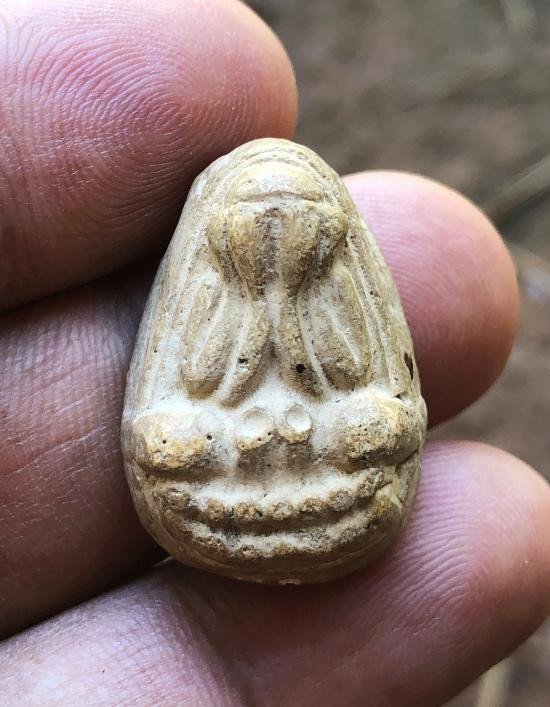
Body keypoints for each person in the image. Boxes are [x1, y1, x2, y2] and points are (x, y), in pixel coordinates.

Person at [0, 1, 548, 704]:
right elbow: (168, 406)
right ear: (221, 234)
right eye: (254, 231)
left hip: (309, 458)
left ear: (328, 235)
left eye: (297, 230)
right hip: (232, 458)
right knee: (171, 437)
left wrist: (352, 423)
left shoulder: (343, 291)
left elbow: (380, 398)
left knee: (376, 424)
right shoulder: (201, 292)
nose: (274, 249)